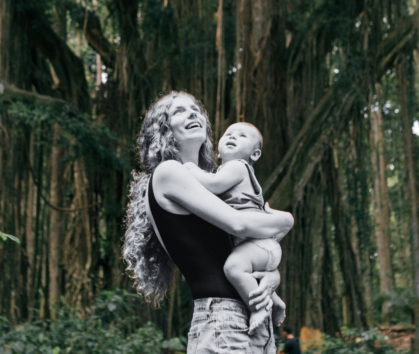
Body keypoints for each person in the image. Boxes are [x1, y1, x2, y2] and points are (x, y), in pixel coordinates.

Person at [123, 91, 294, 354]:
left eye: (195, 109)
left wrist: (271, 276)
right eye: (179, 111)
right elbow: (239, 225)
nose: (192, 113)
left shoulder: (212, 189)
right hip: (223, 322)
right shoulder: (168, 172)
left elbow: (242, 250)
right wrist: (286, 219)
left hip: (249, 319)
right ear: (164, 130)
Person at [184, 123, 286, 334]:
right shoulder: (229, 171)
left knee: (233, 268)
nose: (233, 137)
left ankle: (258, 308)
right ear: (218, 151)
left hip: (258, 244)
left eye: (242, 136)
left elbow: (212, 185)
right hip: (255, 246)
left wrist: (191, 169)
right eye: (228, 134)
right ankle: (275, 301)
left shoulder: (237, 167)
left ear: (255, 154)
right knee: (247, 272)